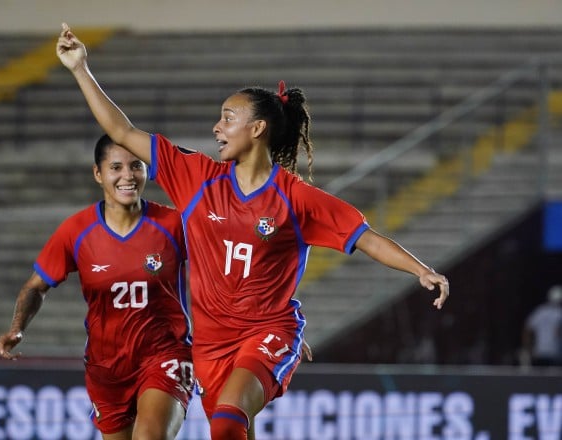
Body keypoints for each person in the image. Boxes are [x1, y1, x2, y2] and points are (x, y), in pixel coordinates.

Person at [55, 23, 450, 439]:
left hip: (268, 332)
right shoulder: (196, 177)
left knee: (227, 421)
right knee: (233, 428)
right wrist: (81, 69)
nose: (216, 128)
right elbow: (121, 132)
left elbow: (365, 238)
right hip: (209, 345)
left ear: (257, 129)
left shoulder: (297, 199)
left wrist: (420, 270)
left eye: (228, 117)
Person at [0, 135, 194, 439]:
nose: (127, 176)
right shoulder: (76, 231)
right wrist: (17, 327)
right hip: (108, 369)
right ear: (98, 174)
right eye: (116, 167)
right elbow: (36, 287)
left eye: (135, 166)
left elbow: (225, 261)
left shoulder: (173, 225)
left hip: (165, 354)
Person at [521, 285, 562, 367]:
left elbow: (527, 330)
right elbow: (559, 332)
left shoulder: (540, 312)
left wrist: (528, 349)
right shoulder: (560, 313)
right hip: (555, 353)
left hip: (539, 352)